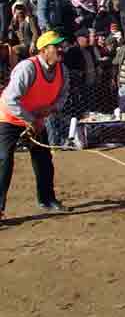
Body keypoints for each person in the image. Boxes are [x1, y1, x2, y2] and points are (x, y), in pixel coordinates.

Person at [0, 31, 72, 223]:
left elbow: (63, 95)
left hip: (36, 119)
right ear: (43, 50)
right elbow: (10, 100)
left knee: (43, 160)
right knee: (4, 161)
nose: (60, 49)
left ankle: (47, 199)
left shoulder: (61, 70)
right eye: (55, 46)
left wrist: (52, 108)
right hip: (9, 118)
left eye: (60, 45)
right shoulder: (27, 68)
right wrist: (30, 119)